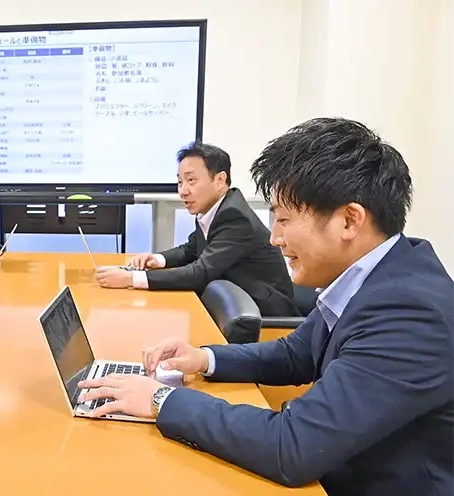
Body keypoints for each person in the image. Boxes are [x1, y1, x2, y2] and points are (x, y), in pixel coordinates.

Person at [77, 118, 453, 495]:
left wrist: (161, 399)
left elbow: (293, 446)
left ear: (349, 220)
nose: (274, 238)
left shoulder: (411, 314)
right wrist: (204, 358)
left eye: (284, 220)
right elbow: (294, 353)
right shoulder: (376, 276)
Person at [95, 142, 298, 317]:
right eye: (180, 182)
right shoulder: (214, 207)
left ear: (220, 180)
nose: (183, 191)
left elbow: (200, 272)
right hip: (236, 303)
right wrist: (157, 259)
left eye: (191, 180)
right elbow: (191, 249)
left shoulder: (235, 217)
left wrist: (131, 278)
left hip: (266, 314)